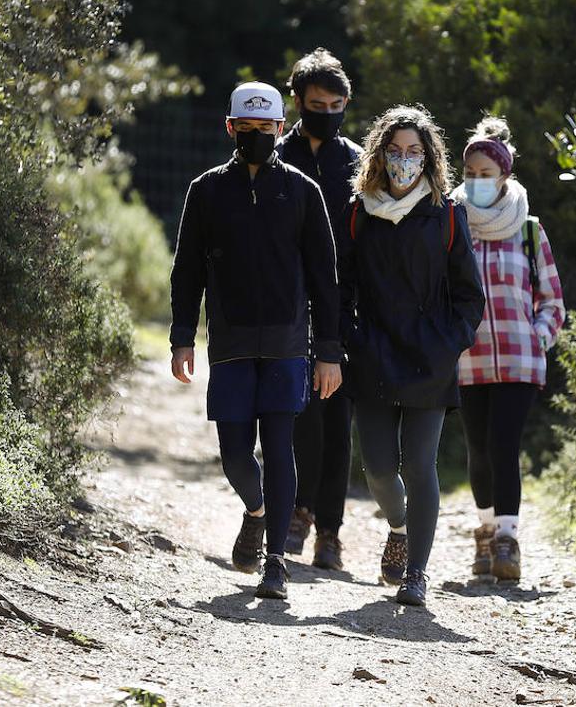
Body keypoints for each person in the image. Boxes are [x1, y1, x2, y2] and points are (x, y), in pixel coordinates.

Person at [168, 81, 343, 601]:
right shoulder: (205, 191)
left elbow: (325, 277)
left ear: (279, 129)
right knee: (235, 456)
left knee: (281, 448)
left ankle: (275, 563)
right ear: (231, 129)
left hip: (289, 343)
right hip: (231, 343)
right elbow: (186, 271)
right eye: (246, 129)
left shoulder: (303, 193)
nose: (257, 137)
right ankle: (258, 510)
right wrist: (182, 338)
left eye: (265, 130)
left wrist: (329, 351)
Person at [339, 105, 485, 607]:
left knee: (420, 464)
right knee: (378, 467)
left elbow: (470, 295)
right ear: (380, 154)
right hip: (373, 355)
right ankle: (397, 527)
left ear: (429, 158)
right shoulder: (358, 212)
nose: (404, 161)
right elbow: (342, 288)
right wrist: (344, 343)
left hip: (430, 360)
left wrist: (451, 340)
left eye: (414, 152)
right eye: (396, 151)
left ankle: (416, 574)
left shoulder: (446, 215)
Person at [453, 116, 565, 583]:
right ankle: (484, 532)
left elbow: (552, 299)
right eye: (470, 174)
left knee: (504, 445)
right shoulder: (454, 223)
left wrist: (538, 338)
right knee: (477, 448)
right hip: (467, 358)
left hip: (520, 358)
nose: (478, 182)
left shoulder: (528, 229)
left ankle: (508, 539)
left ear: (505, 176)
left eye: (487, 174)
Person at [275, 49, 362, 572]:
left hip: (347, 304)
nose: (326, 112)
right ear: (298, 102)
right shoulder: (276, 153)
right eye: (315, 104)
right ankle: (296, 511)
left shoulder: (356, 160)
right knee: (295, 414)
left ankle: (330, 530)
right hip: (288, 303)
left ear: (347, 103)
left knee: (338, 419)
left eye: (335, 104)